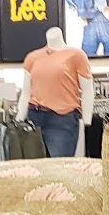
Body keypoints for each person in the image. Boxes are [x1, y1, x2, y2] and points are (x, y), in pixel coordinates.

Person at [20, 27, 93, 157]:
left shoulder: (76, 55)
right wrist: (19, 118)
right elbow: (26, 92)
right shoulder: (32, 57)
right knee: (34, 166)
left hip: (62, 118)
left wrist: (87, 119)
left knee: (59, 165)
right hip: (34, 116)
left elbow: (87, 89)